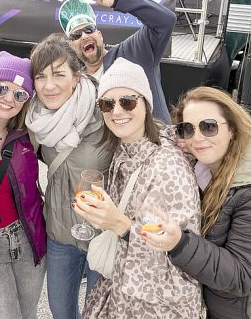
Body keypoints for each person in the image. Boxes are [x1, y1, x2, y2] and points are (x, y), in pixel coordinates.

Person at [147, 87, 251, 319]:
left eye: (209, 126)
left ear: (233, 130)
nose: (197, 137)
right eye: (188, 129)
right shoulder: (204, 170)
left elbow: (242, 275)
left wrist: (179, 243)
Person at [73, 58, 202, 319]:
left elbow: (176, 253)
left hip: (155, 308)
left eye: (128, 101)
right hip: (122, 294)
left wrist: (118, 223)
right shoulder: (126, 148)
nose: (117, 111)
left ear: (146, 104)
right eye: (107, 104)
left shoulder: (167, 167)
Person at [25, 34, 111, 319]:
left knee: (97, 313)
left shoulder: (107, 114)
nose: (49, 86)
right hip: (60, 234)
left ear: (76, 77)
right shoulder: (36, 118)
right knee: (61, 311)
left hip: (102, 234)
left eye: (59, 74)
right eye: (41, 76)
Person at [0, 51, 47, 319]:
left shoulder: (30, 133)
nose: (8, 99)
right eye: (2, 88)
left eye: (19, 94)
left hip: (28, 238)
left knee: (28, 313)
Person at [62, 0, 177, 122]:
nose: (84, 36)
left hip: (153, 141)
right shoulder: (78, 82)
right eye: (76, 35)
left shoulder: (133, 52)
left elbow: (165, 21)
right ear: (72, 46)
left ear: (100, 35)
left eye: (89, 29)